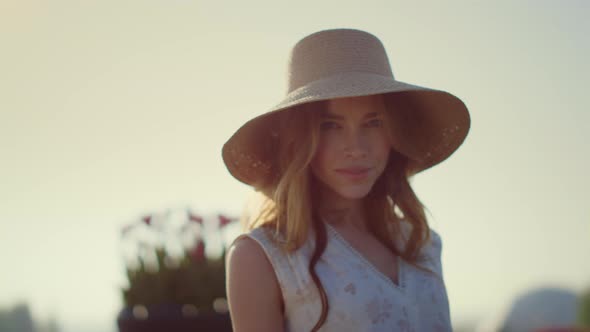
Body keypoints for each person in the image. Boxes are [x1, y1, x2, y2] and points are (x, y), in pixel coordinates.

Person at [221, 28, 470, 332]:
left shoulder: (423, 244)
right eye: (331, 126)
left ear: (394, 132)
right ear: (299, 140)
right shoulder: (262, 257)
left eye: (373, 122)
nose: (356, 148)